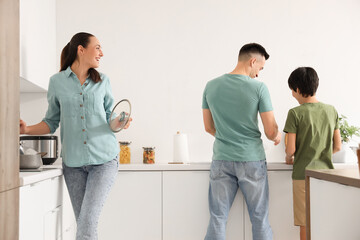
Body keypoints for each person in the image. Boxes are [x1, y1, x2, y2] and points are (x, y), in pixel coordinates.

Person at [19, 32, 132, 240]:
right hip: (73, 166)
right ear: (81, 49)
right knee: (84, 225)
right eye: (97, 47)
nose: (101, 53)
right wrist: (26, 130)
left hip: (104, 160)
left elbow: (110, 117)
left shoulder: (103, 81)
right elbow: (51, 122)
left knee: (87, 223)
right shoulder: (57, 82)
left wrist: (120, 121)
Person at [202, 43, 281, 240]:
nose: (258, 74)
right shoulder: (259, 88)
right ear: (253, 61)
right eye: (260, 68)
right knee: (259, 218)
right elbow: (271, 131)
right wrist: (278, 136)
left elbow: (209, 127)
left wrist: (228, 137)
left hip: (221, 159)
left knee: (218, 218)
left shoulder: (211, 86)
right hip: (252, 160)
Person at [283, 67, 341, 240]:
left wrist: (289, 158)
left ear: (298, 89)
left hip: (303, 175)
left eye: (292, 90)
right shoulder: (331, 110)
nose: (292, 94)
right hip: (327, 175)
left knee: (305, 223)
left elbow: (290, 149)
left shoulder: (295, 113)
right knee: (324, 221)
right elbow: (337, 146)